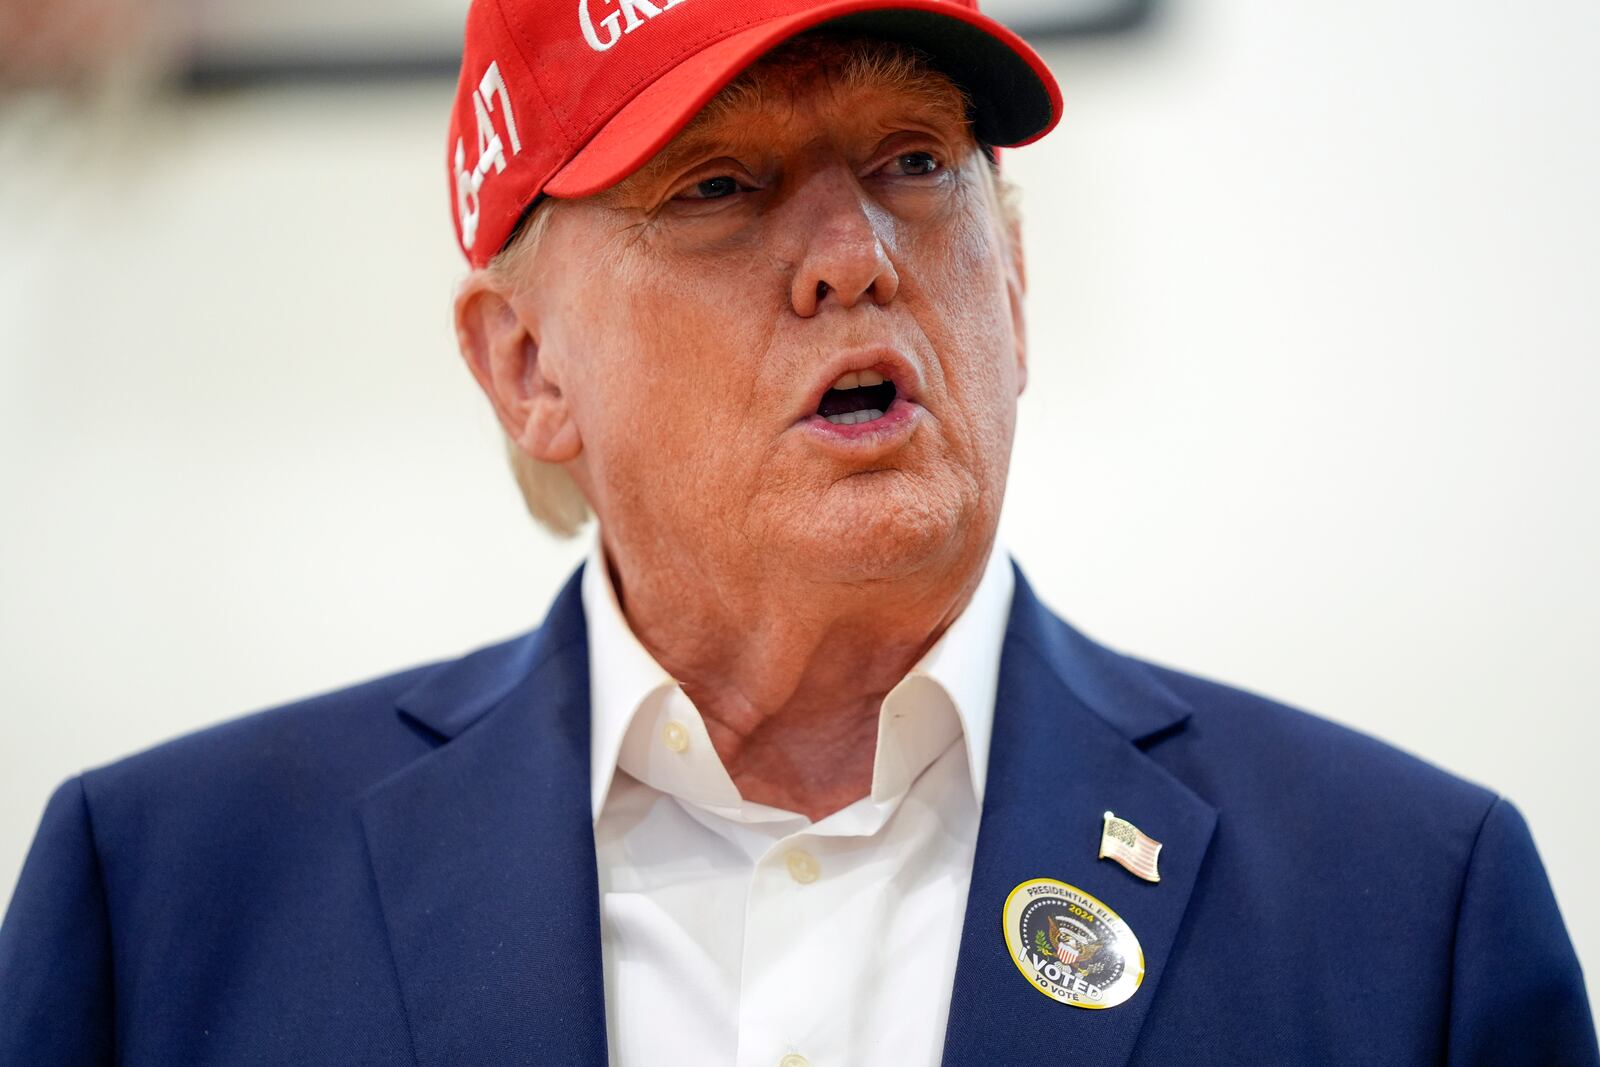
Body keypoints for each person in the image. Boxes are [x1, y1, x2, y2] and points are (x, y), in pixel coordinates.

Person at [1, 0, 1595, 1062]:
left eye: (915, 162)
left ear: (1017, 289)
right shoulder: (163, 908)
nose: (850, 256)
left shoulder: (1410, 915)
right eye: (718, 184)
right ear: (529, 368)